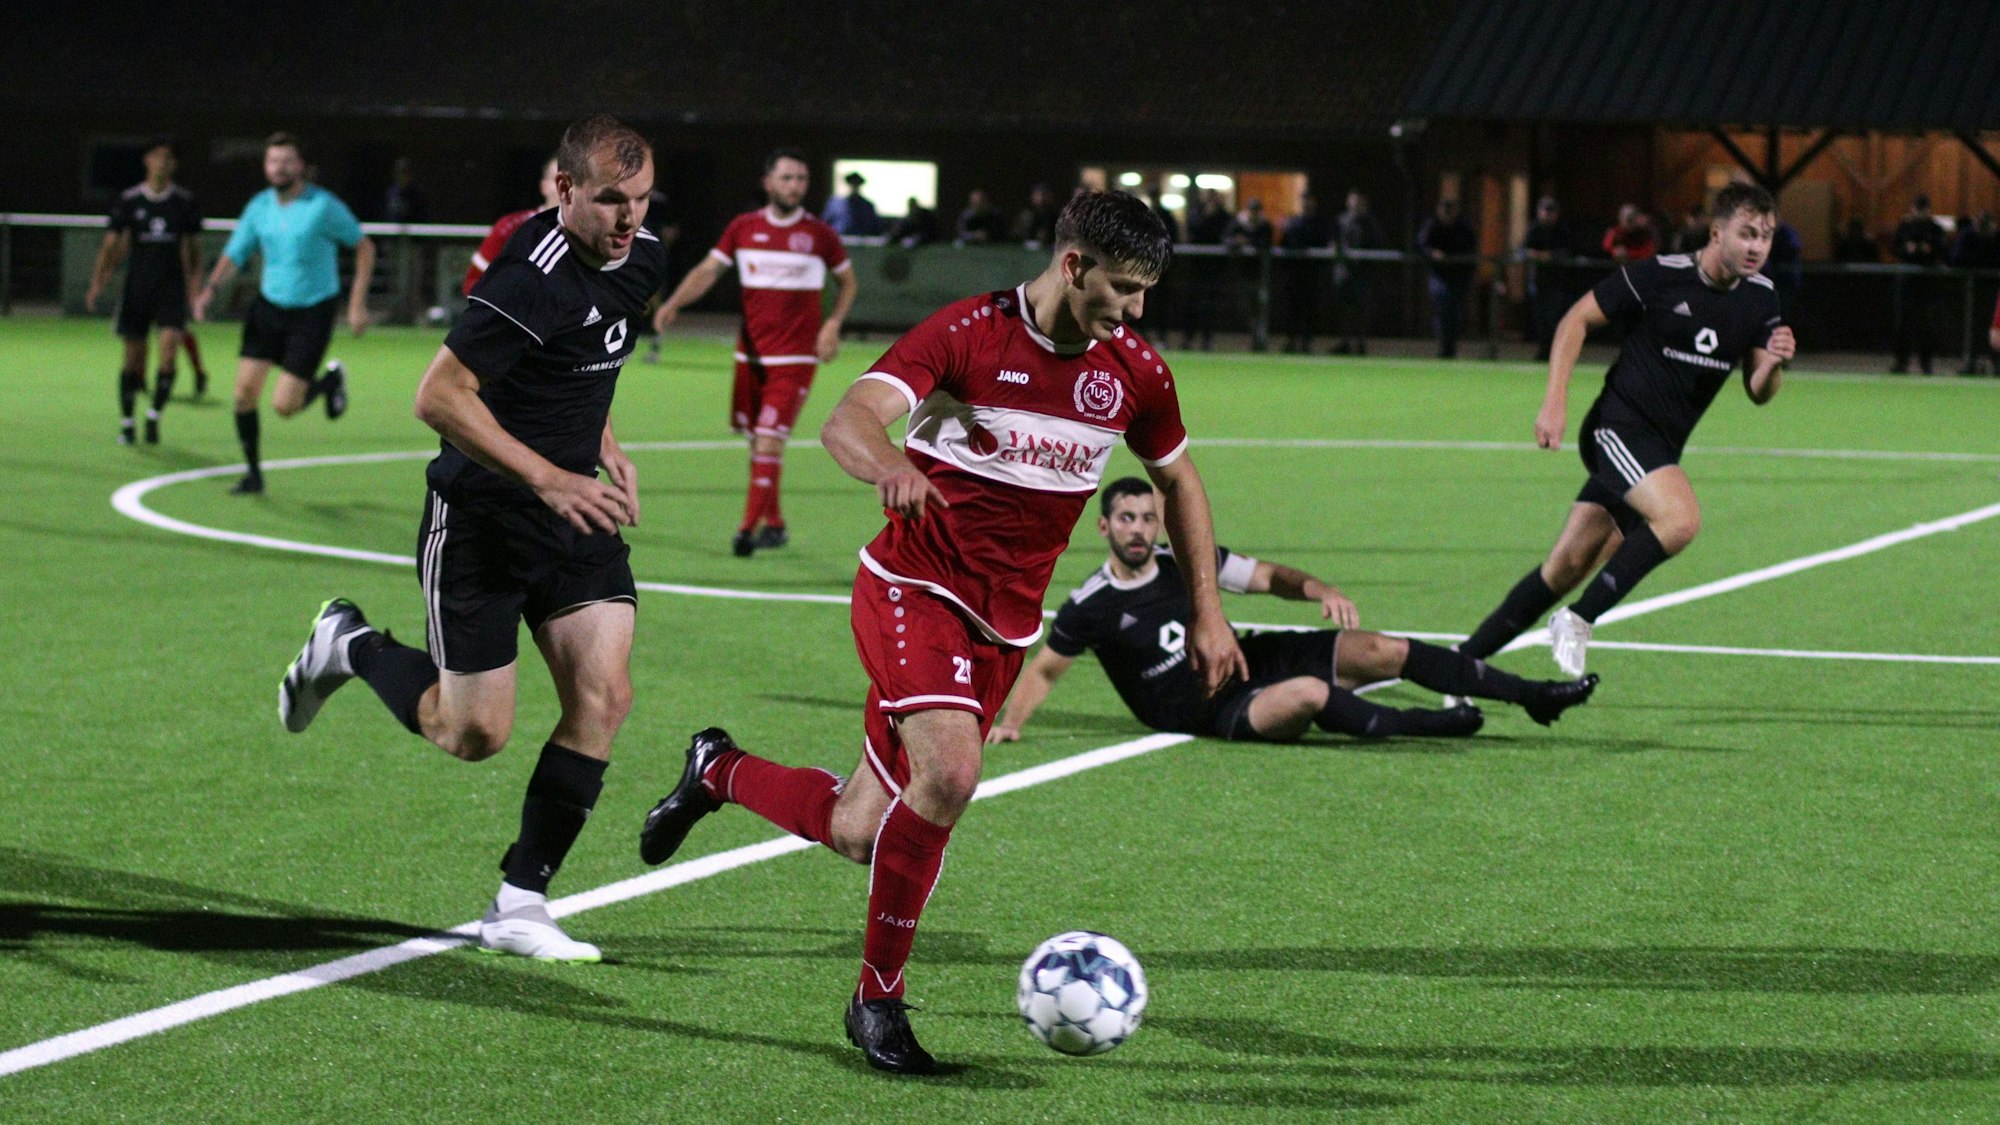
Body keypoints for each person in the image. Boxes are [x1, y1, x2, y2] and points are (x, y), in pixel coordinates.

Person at [638, 191, 1247, 1074]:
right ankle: (875, 1001)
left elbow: (1181, 481)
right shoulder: (967, 334)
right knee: (952, 771)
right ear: (1073, 267)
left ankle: (718, 769)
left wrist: (1208, 610)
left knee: (859, 830)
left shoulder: (1135, 372)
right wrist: (890, 465)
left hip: (1003, 625)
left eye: (1147, 290)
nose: (1137, 308)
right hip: (912, 589)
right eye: (1123, 286)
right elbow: (848, 419)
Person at [274, 114, 667, 963]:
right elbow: (439, 396)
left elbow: (580, 371)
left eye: (640, 199)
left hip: (573, 521)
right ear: (563, 190)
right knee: (471, 734)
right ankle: (349, 644)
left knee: (604, 696)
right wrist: (550, 476)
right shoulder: (530, 277)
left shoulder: (644, 258)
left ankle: (520, 900)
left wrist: (605, 447)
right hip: (483, 520)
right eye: (609, 200)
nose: (628, 219)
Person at [1453, 182, 1795, 677]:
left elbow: (1758, 390)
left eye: (1765, 237)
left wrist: (1775, 363)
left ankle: (1457, 666)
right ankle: (1577, 620)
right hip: (1617, 429)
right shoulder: (1660, 275)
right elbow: (1575, 320)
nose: (1756, 247)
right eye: (1746, 234)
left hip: (1658, 450)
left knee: (1565, 567)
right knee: (1680, 519)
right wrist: (1554, 403)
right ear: (1717, 232)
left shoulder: (1762, 298)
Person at [988, 478, 1598, 745]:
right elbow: (1044, 668)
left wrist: (1316, 589)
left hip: (1249, 657)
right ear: (1104, 527)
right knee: (1307, 694)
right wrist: (1012, 721)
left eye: (1149, 517)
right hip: (1206, 707)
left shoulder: (1187, 559)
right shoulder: (1091, 604)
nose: (1141, 529)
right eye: (1128, 518)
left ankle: (1533, 696)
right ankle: (1432, 725)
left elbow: (1267, 576)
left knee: (1384, 648)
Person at [653, 148, 858, 556]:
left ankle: (746, 530)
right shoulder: (743, 228)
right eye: (786, 178)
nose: (794, 186)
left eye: (800, 179)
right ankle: (776, 524)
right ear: (769, 183)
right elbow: (708, 270)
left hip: (795, 359)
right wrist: (674, 303)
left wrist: (832, 324)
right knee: (758, 442)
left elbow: (848, 284)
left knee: (767, 440)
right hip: (751, 356)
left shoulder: (820, 235)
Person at [193, 132, 375, 495]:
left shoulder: (323, 206)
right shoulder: (259, 206)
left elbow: (364, 248)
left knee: (284, 406)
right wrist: (210, 290)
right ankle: (253, 475)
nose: (280, 168)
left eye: (287, 161)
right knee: (244, 395)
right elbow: (236, 253)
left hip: (311, 313)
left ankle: (327, 383)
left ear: (301, 166)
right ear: (265, 166)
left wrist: (356, 304)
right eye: (274, 161)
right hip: (268, 309)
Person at [85, 137, 205, 445]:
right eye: (156, 157)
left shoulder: (184, 202)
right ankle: (127, 422)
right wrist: (99, 280)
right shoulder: (129, 201)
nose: (162, 163)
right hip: (137, 288)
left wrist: (196, 290)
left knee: (168, 357)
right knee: (133, 361)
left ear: (174, 164)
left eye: (168, 158)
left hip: (171, 290)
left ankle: (153, 417)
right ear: (146, 160)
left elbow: (193, 250)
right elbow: (112, 245)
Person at [461, 156, 560, 295]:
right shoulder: (512, 227)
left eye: (573, 180)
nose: (565, 186)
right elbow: (474, 283)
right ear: (544, 186)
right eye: (558, 179)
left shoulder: (592, 230)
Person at [1890, 195, 1947, 374]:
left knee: (1927, 326)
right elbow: (1894, 248)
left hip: (1928, 284)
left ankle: (1926, 364)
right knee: (1903, 325)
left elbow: (1943, 250)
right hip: (1907, 283)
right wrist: (1906, 250)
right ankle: (1901, 362)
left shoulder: (1935, 229)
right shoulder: (1905, 227)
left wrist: (1929, 251)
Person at [1418, 197, 1475, 358]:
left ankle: (1451, 348)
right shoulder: (1432, 225)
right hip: (1439, 275)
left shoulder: (1463, 226)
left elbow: (1470, 248)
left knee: (1456, 314)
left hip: (1459, 277)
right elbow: (1422, 245)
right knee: (1442, 309)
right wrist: (1432, 253)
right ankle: (1444, 348)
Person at [1277, 191, 1333, 354]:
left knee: (1310, 308)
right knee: (1292, 308)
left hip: (1311, 273)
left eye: (1309, 200)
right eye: (1304, 200)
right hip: (1293, 273)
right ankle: (1291, 340)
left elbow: (1324, 244)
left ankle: (1306, 341)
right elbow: (1284, 243)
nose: (1306, 204)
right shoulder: (1293, 221)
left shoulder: (1320, 223)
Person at [1521, 195, 1575, 362]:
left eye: (1551, 212)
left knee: (1553, 318)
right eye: (1545, 211)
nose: (1548, 215)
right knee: (1539, 319)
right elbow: (1524, 250)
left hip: (1556, 281)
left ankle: (1552, 352)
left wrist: (1549, 256)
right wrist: (1534, 255)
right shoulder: (1533, 229)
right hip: (1537, 281)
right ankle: (1543, 351)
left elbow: (1567, 252)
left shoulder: (1562, 230)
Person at [1331, 189, 1382, 355]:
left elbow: (1377, 244)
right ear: (1348, 202)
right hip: (1344, 271)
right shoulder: (1341, 221)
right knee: (1344, 308)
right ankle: (1345, 342)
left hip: (1362, 273)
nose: (1356, 204)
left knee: (1361, 308)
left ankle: (1360, 343)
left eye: (1359, 201)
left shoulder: (1370, 223)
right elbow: (1332, 240)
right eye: (1353, 201)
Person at [823, 171, 884, 237]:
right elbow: (825, 222)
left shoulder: (867, 205)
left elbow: (875, 227)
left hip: (860, 242)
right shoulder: (835, 203)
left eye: (856, 184)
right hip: (839, 238)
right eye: (851, 183)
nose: (853, 186)